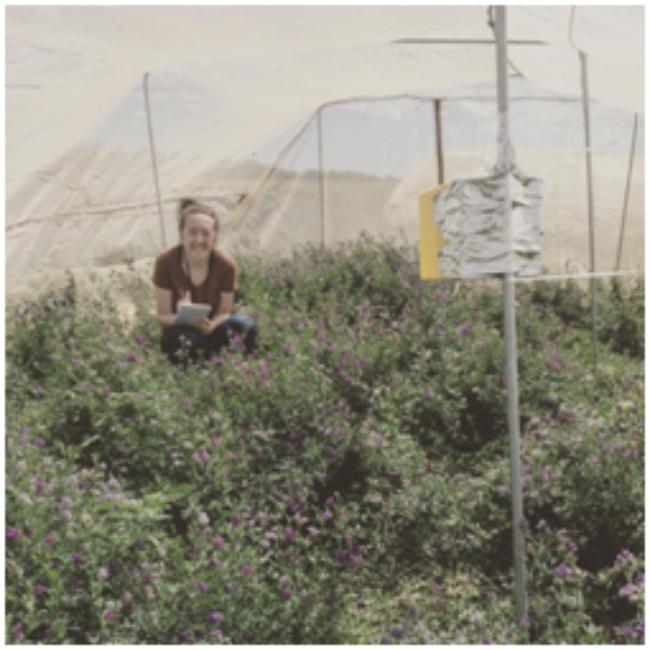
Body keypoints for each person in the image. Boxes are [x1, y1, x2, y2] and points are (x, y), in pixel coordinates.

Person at [153, 197, 257, 363]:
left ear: (214, 237)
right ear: (182, 234)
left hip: (214, 328)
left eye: (205, 233)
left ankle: (238, 369)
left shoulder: (226, 265)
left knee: (246, 326)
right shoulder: (166, 262)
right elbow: (162, 317)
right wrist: (184, 318)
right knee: (188, 341)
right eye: (192, 232)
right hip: (181, 331)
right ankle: (190, 372)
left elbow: (224, 311)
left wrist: (211, 325)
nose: (199, 240)